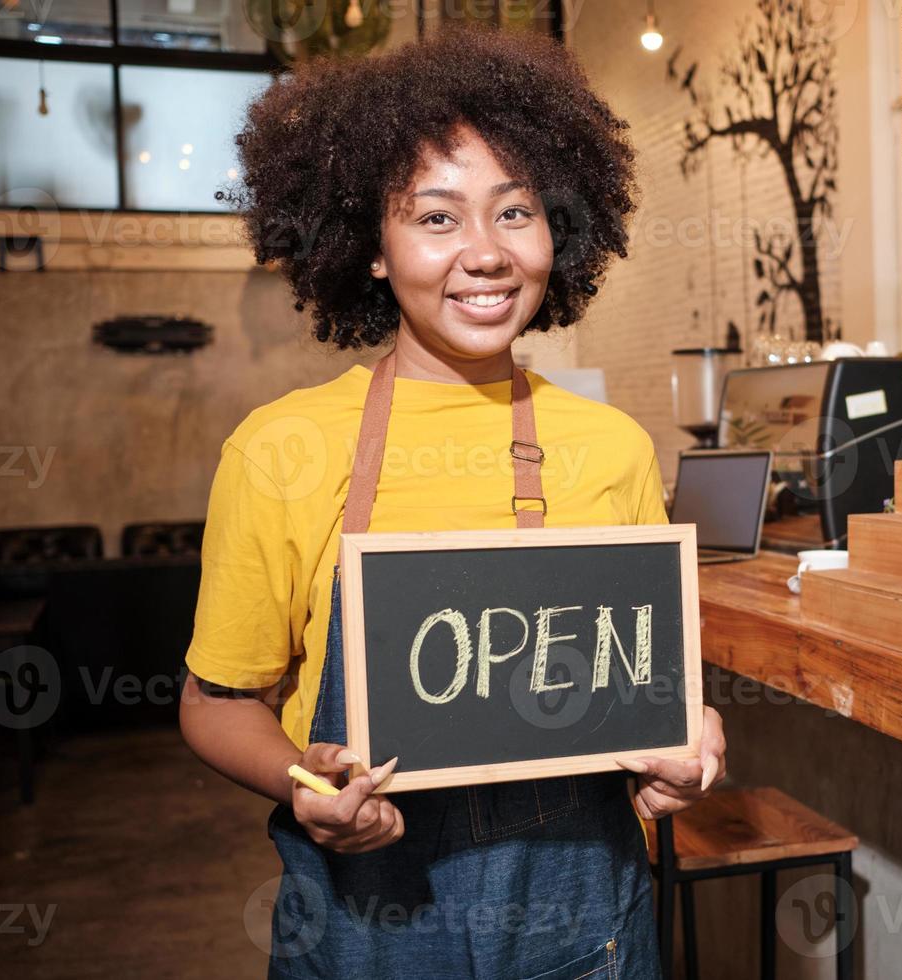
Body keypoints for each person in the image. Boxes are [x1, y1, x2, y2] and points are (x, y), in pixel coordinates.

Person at [178, 23, 727, 980]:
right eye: (437, 219)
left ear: (561, 228)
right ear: (372, 249)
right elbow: (215, 704)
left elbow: (645, 688)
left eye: (515, 213)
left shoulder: (613, 448)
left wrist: (683, 746)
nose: (485, 253)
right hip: (367, 919)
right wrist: (304, 781)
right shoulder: (281, 450)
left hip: (583, 916)